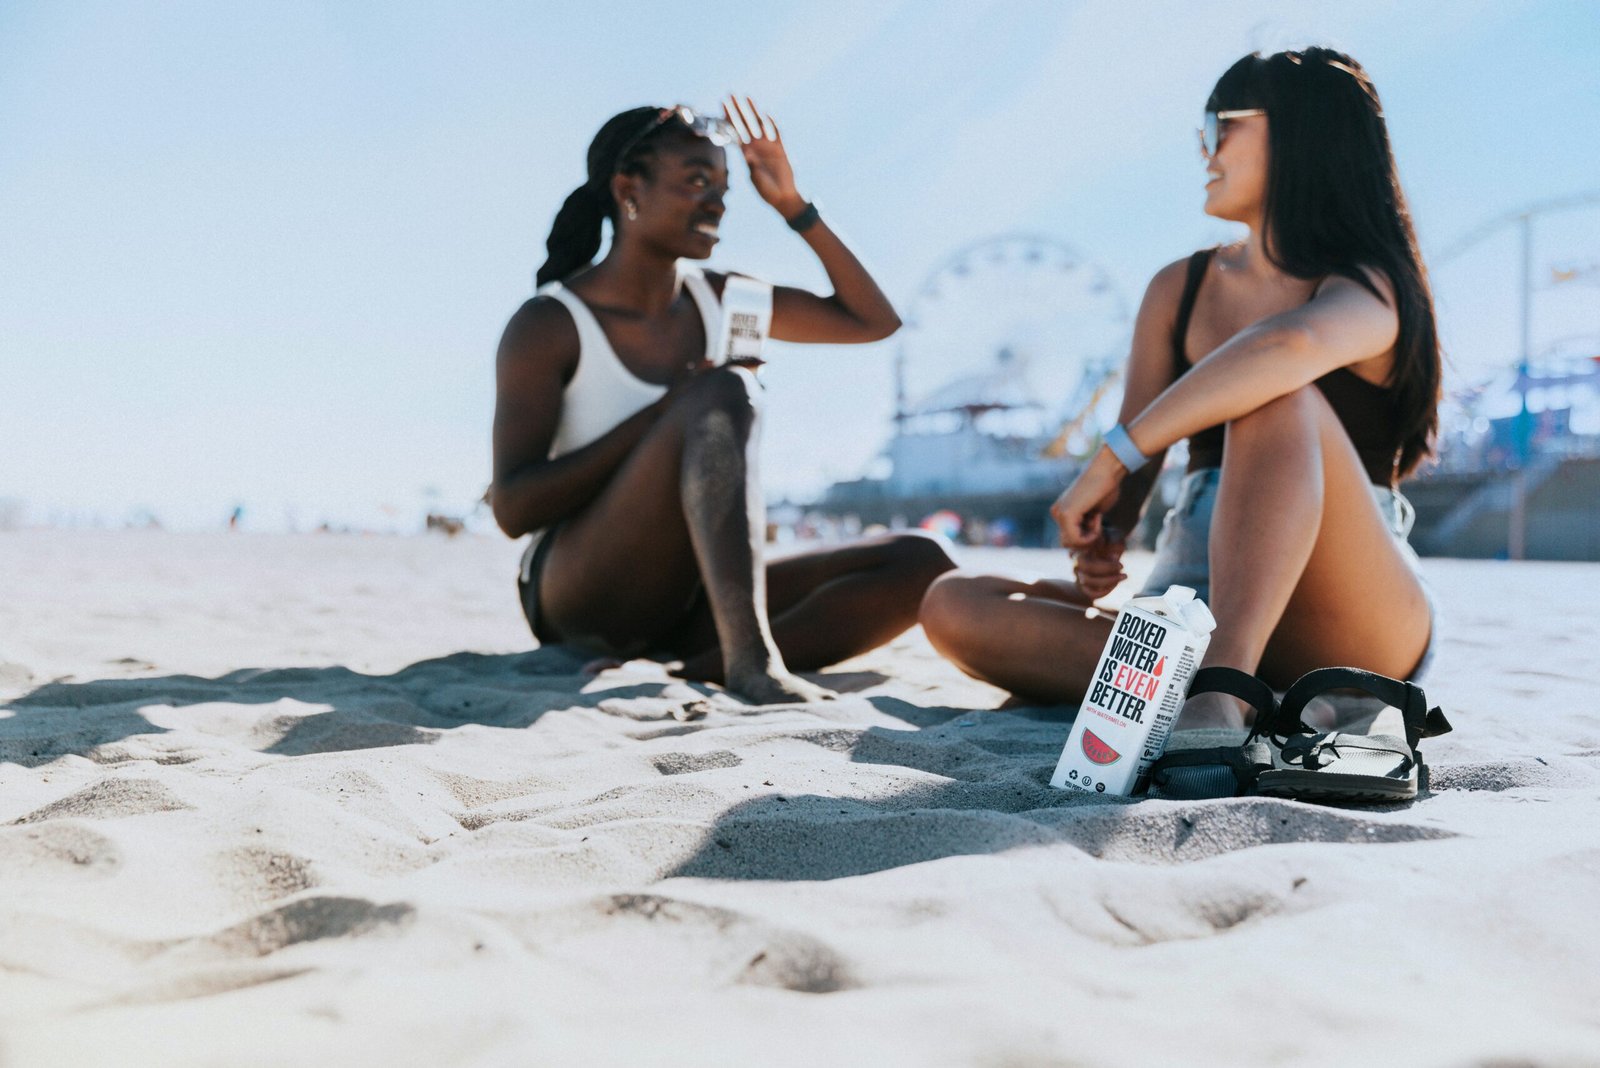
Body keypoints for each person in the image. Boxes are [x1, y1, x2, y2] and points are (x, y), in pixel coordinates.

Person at [920, 49, 1440, 728]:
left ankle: (1221, 690)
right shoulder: (1179, 288)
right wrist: (1108, 528)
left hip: (1347, 612)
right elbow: (1142, 445)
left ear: (1303, 132)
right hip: (1193, 592)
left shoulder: (1369, 285)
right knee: (954, 602)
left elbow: (1289, 347)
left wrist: (1104, 460)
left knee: (1269, 388)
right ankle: (1238, 694)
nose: (1204, 148)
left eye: (1220, 123)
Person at [491, 98, 953, 704]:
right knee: (725, 387)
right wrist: (664, 412)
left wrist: (793, 205)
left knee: (921, 564)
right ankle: (752, 662)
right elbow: (514, 509)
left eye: (726, 187)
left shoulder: (725, 299)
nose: (718, 202)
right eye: (697, 181)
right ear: (629, 188)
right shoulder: (551, 322)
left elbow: (872, 321)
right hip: (580, 596)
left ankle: (698, 666)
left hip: (689, 598)